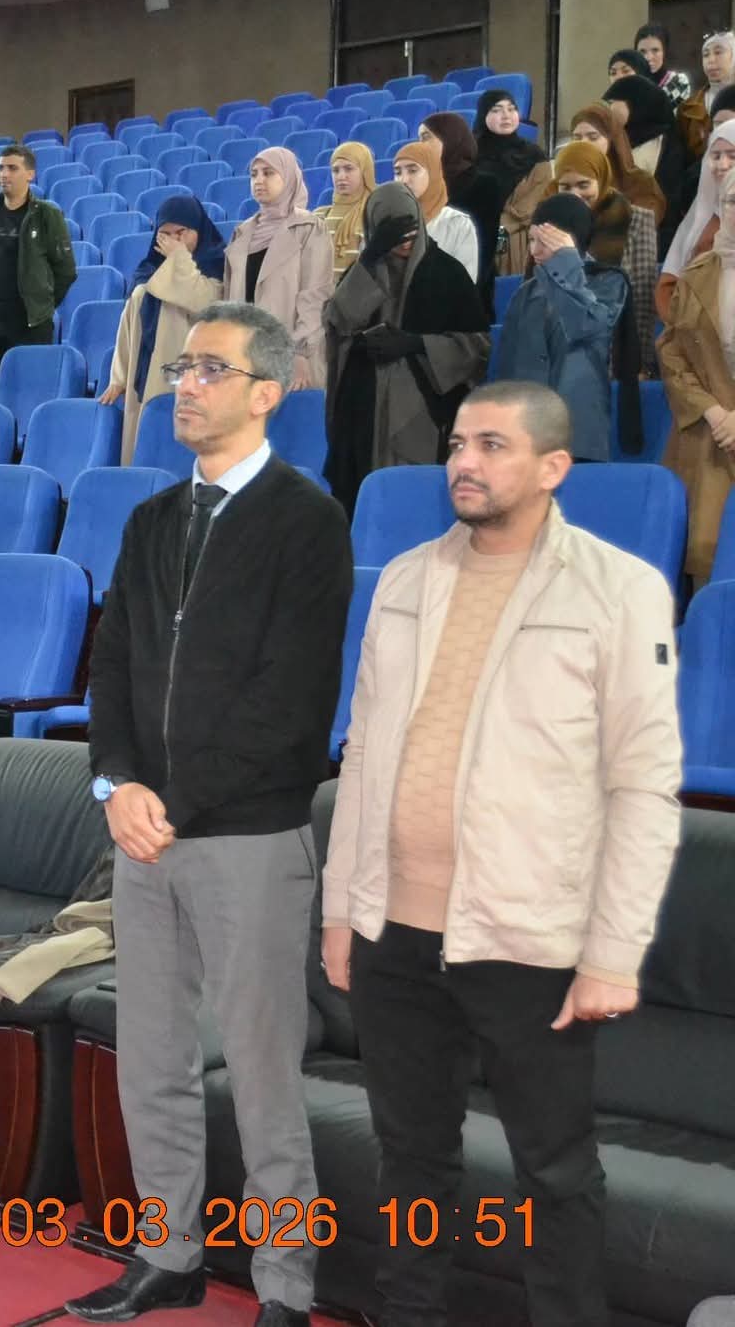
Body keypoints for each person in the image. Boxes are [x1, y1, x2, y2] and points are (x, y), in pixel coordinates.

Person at [322, 379, 680, 1327]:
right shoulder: (404, 579)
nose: (464, 463)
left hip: (530, 936)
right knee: (410, 1155)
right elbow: (363, 754)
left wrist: (612, 952)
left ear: (554, 466)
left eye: (492, 446)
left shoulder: (619, 590)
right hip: (395, 929)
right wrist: (341, 908)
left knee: (554, 1170)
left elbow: (643, 786)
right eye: (456, 444)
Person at [68, 302, 351, 1327]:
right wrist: (117, 782)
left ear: (266, 392)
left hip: (246, 837)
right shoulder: (150, 520)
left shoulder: (305, 521)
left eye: (208, 370)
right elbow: (109, 669)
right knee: (150, 1058)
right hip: (144, 836)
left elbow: (290, 706)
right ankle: (167, 1253)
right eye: (181, 367)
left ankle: (284, 1285)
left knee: (265, 1071)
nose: (182, 385)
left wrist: (169, 801)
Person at [324, 184, 492, 514]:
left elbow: (477, 345)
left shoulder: (446, 273)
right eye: (392, 231)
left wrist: (415, 344)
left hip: (422, 411)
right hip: (362, 412)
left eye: (410, 228)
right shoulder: (364, 271)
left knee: (413, 505)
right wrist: (369, 259)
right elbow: (338, 321)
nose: (404, 240)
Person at [496, 194, 634, 465]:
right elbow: (507, 368)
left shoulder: (609, 282)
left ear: (572, 241)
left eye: (545, 241)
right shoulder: (526, 293)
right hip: (526, 431)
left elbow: (586, 325)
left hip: (579, 433)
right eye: (531, 240)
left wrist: (568, 264)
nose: (534, 251)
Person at [101, 196, 227, 463]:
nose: (173, 241)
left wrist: (179, 258)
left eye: (181, 233)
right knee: (146, 449)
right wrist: (119, 378)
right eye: (165, 234)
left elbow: (205, 303)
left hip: (191, 378)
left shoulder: (217, 264)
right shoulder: (148, 271)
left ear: (198, 230)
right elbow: (128, 328)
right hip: (146, 379)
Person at [655, 173, 735, 586]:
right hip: (709, 434)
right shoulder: (696, 274)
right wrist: (715, 412)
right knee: (707, 556)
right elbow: (672, 354)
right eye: (733, 201)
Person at [0, 143, 78, 399]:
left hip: (30, 324)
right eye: (0, 168)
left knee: (30, 394)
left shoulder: (47, 215)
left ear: (30, 174)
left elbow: (66, 270)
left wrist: (41, 303)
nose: (4, 174)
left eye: (12, 168)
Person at [224, 146, 334, 390]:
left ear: (288, 177)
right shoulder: (242, 233)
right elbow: (231, 301)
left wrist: (301, 352)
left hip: (292, 357)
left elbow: (315, 296)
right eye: (254, 174)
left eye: (268, 173)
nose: (259, 180)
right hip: (245, 357)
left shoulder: (309, 228)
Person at [550, 139, 661, 377]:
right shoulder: (550, 222)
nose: (575, 195)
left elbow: (641, 300)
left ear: (601, 180)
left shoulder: (636, 220)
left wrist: (639, 363)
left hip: (616, 353)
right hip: (561, 353)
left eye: (583, 184)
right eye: (565, 187)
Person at [420, 110, 503, 308]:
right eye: (419, 139)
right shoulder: (424, 186)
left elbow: (483, 248)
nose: (420, 146)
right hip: (426, 293)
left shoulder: (483, 184)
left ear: (450, 138)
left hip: (469, 295)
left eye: (426, 137)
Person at [606, 72, 695, 251]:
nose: (610, 108)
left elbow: (670, 199)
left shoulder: (666, 143)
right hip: (611, 234)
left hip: (654, 240)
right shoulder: (611, 139)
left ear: (636, 103)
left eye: (614, 101)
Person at [657, 121, 735, 320]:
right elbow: (669, 284)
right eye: (715, 156)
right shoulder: (701, 213)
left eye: (732, 156)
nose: (722, 165)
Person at [472, 89, 552, 279]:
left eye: (511, 109)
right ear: (483, 115)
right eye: (496, 110)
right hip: (474, 235)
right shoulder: (470, 154)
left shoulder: (534, 155)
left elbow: (537, 197)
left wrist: (502, 224)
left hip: (517, 236)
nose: (506, 115)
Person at [391, 140, 482, 285]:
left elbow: (465, 285)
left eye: (412, 171)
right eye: (397, 173)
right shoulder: (385, 220)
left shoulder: (457, 224)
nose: (404, 180)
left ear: (432, 172)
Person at [569, 102, 667, 225]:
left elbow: (639, 228)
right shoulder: (563, 180)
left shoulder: (641, 184)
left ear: (611, 140)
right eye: (577, 138)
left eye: (593, 137)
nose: (583, 144)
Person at [317, 140, 378, 279]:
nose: (341, 176)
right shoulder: (319, 216)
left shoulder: (374, 212)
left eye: (349, 169)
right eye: (335, 170)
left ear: (365, 171)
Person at [639, 21, 694, 105]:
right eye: (642, 52)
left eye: (655, 50)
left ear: (664, 52)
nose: (648, 57)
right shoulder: (630, 82)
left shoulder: (678, 82)